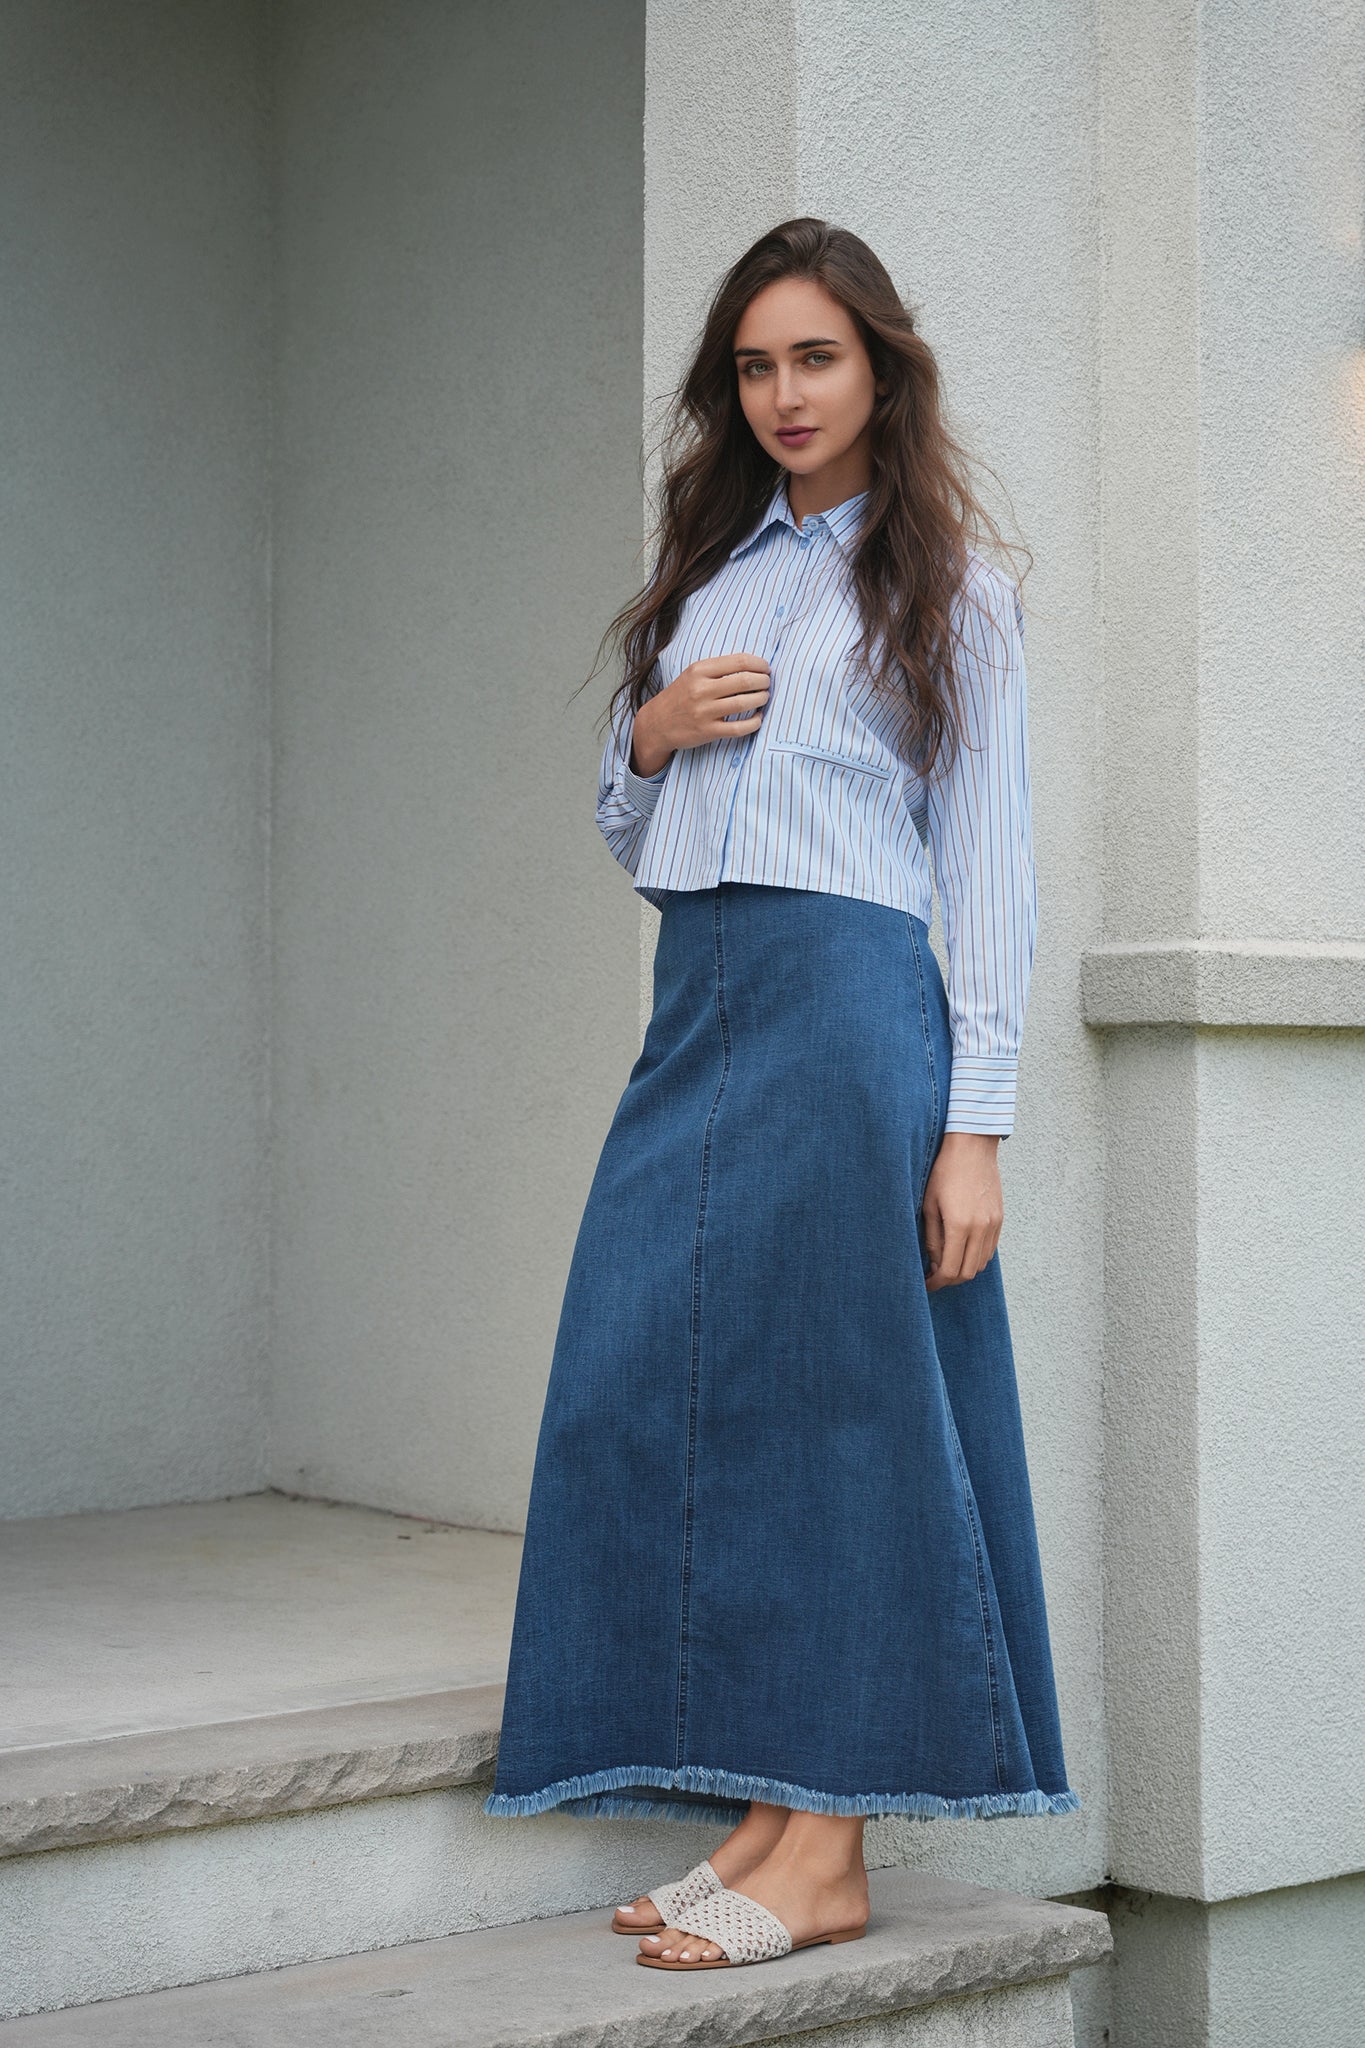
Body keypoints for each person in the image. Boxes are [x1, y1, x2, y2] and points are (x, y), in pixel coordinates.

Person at [484, 217, 1079, 1974]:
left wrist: (973, 1127)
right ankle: (760, 1809)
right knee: (654, 1378)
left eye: (813, 356)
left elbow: (988, 877)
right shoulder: (712, 579)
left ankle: (826, 1847)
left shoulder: (950, 591)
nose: (783, 393)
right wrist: (647, 739)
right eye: (753, 365)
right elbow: (633, 833)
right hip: (704, 1006)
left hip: (847, 1014)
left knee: (842, 1407)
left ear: (878, 367)